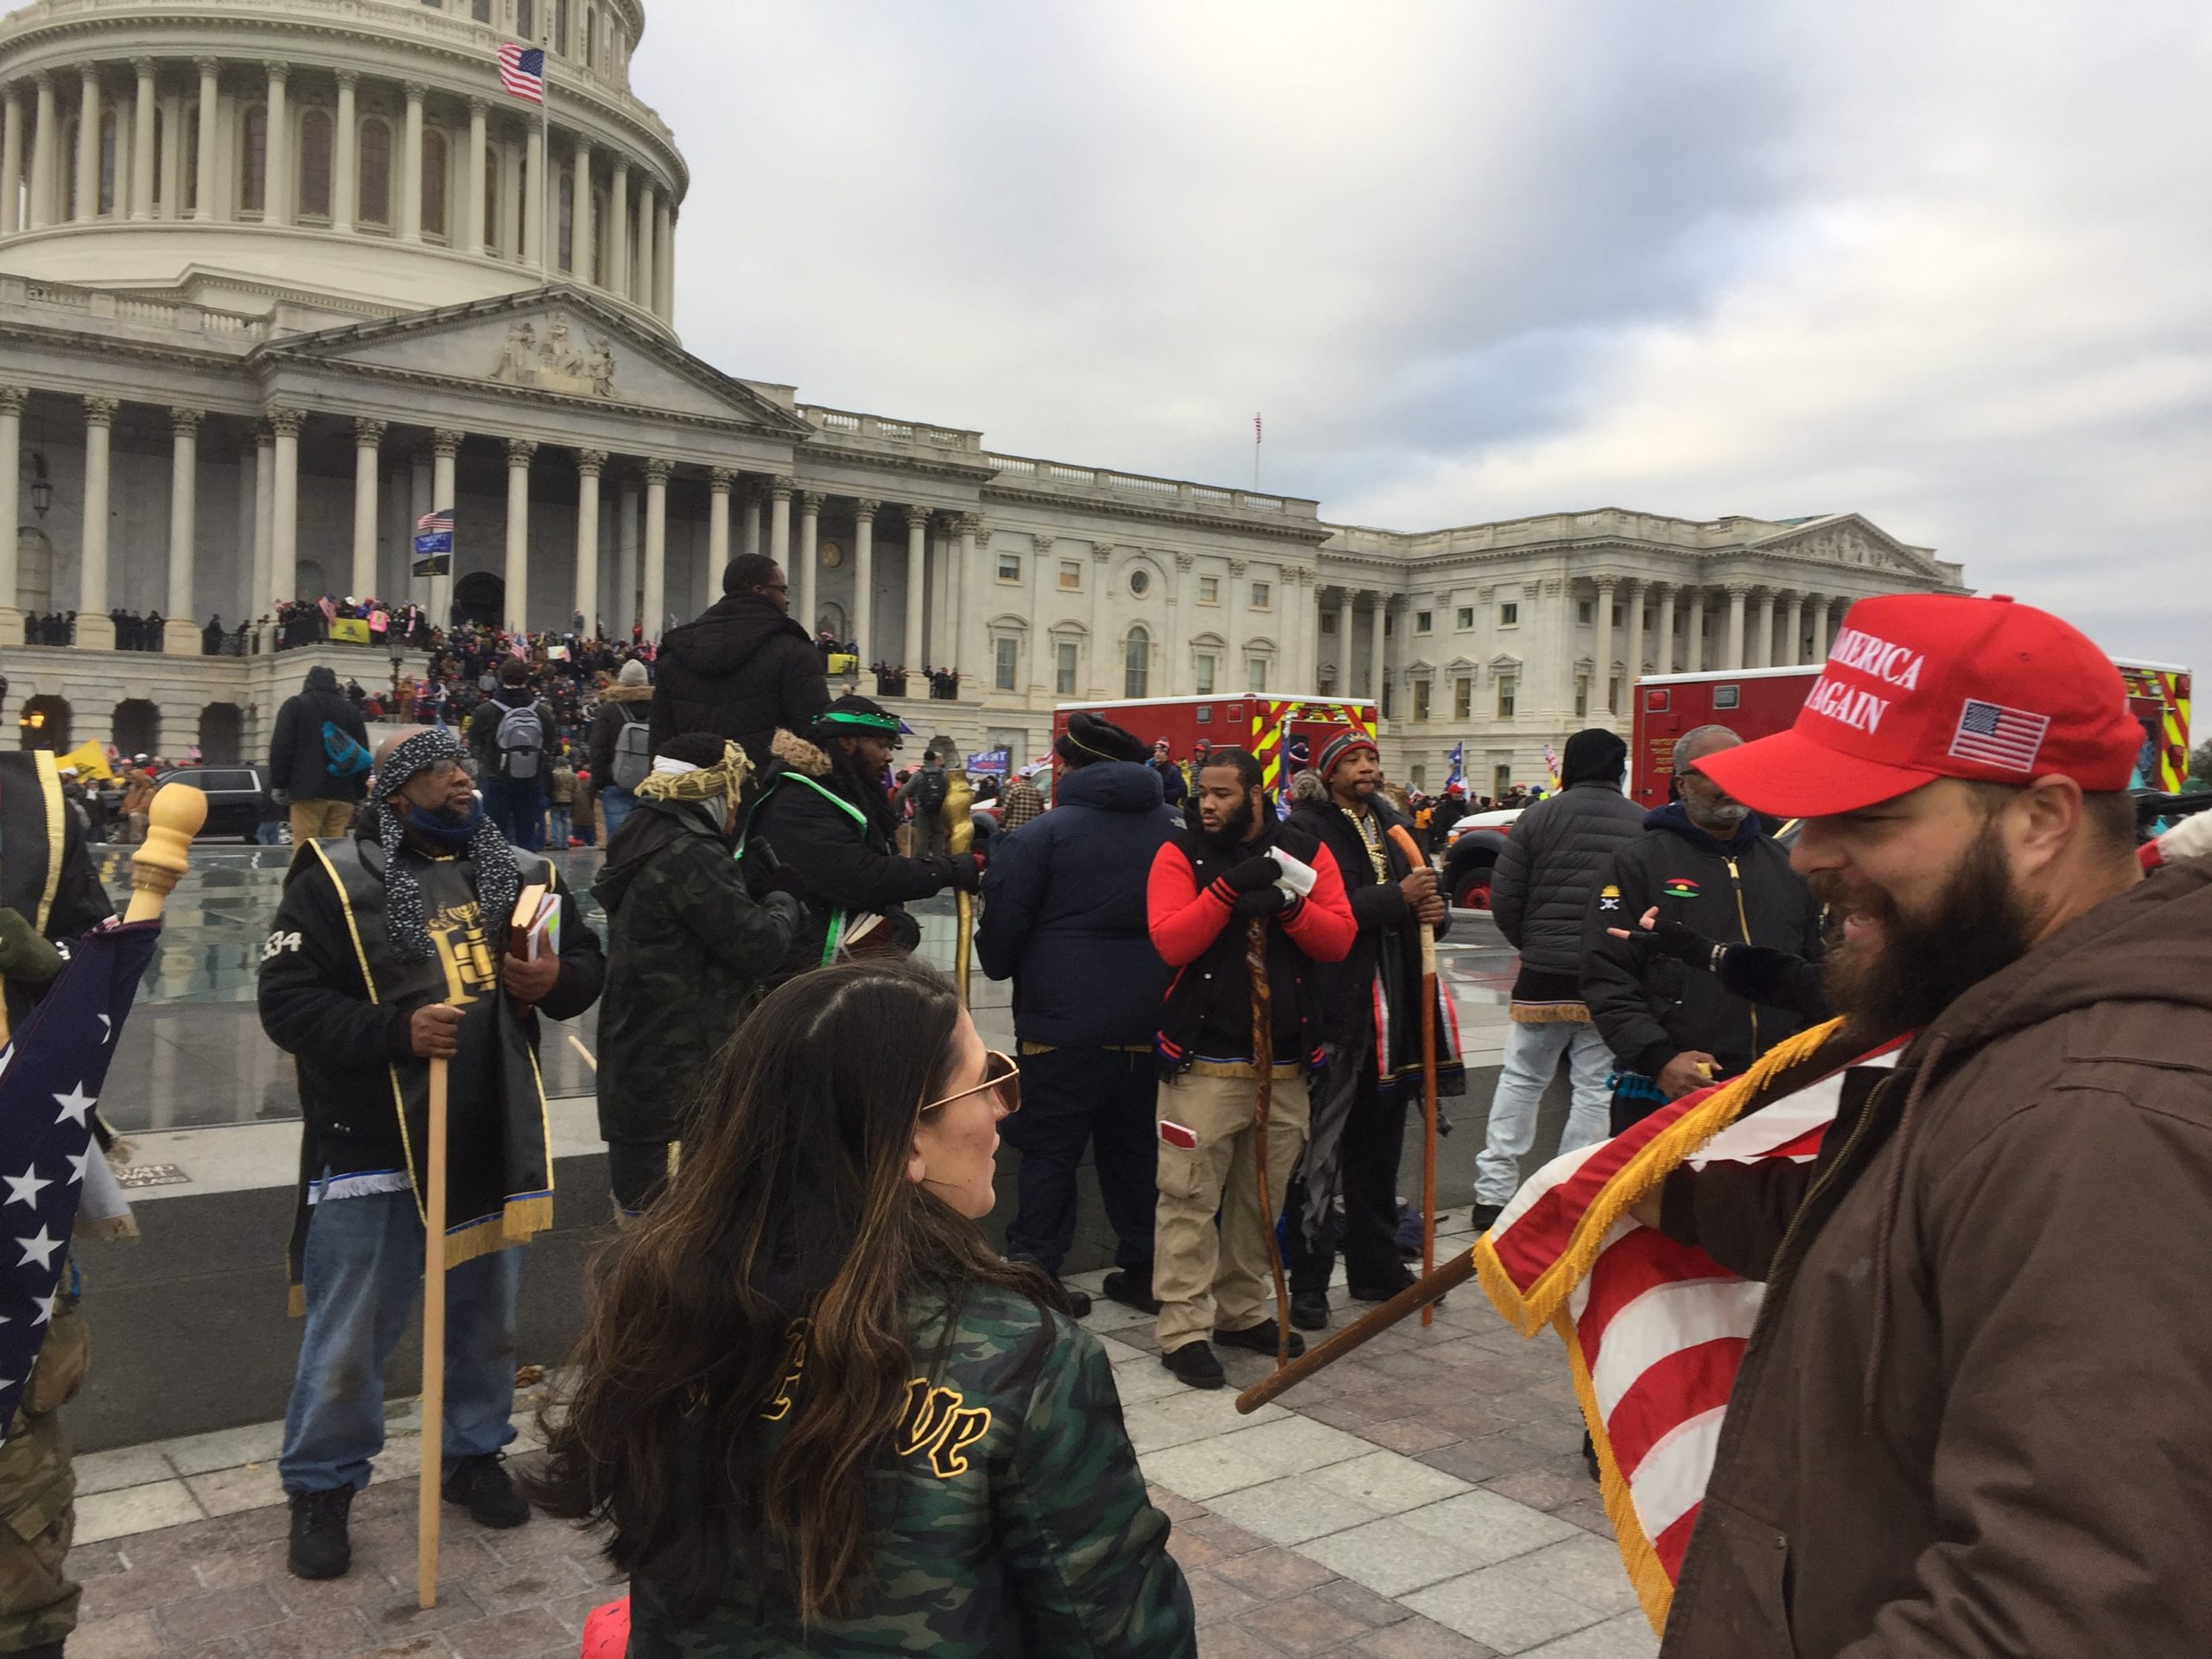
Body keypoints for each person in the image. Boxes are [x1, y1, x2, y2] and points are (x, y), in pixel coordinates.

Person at [1621, 593, 2212, 1656]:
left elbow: (2070, 1605)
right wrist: (1649, 1189)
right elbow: (1910, 1239)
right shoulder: (2001, 1019)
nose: (1804, 855)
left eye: (1867, 817)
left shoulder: (2097, 1118)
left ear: (2039, 821)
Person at [529, 957, 1196, 1655]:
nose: (1003, 1107)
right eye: (984, 1083)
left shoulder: (664, 1303)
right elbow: (1121, 1635)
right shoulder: (1025, 1363)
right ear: (907, 1140)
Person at [257, 726, 605, 1581]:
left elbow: (590, 962)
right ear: (398, 787)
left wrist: (552, 981)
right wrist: (395, 1031)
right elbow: (287, 1004)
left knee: (486, 1326)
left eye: (463, 766)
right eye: (440, 768)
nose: (462, 777)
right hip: (373, 1140)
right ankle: (323, 1485)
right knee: (350, 1338)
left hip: (489, 1132)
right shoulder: (335, 876)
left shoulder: (523, 873)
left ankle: (471, 1454)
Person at [1145, 747, 1357, 1388]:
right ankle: (1183, 1328)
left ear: (1256, 795)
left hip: (1283, 1064)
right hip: (1203, 1064)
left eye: (1222, 795)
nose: (1206, 805)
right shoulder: (1177, 853)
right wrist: (1229, 890)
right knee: (1187, 1198)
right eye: (1201, 793)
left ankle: (1240, 1311)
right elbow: (1172, 938)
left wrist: (1290, 906)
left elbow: (1339, 937)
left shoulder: (1304, 851)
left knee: (1258, 1202)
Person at [976, 713, 1177, 1318]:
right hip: (1151, 1025)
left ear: (1072, 767)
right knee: (1138, 1152)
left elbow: (1000, 944)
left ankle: (1037, 1272)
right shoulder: (1175, 827)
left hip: (1060, 1030)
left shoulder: (1040, 834)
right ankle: (1143, 1268)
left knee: (1050, 1154)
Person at [1280, 732, 1460, 1330]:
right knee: (1320, 1154)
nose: (1367, 768)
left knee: (1380, 1150)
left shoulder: (1396, 823)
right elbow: (1304, 912)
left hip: (1398, 1011)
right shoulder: (1304, 830)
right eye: (1353, 761)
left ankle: (1376, 1266)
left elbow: (1425, 896)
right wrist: (1395, 898)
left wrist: (1437, 911)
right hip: (1338, 1010)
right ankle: (1307, 1282)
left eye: (1372, 760)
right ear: (1329, 774)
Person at [0, 751, 115, 1659]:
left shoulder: (37, 805)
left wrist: (52, 971)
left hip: (10, 1187)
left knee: (21, 1478)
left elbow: (106, 966)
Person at [592, 735, 800, 1217]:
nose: (735, 811)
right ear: (710, 792)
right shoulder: (690, 851)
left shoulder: (644, 833)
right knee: (676, 1242)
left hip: (643, 1083)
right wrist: (782, 900)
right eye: (732, 795)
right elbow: (759, 946)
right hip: (678, 1092)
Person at [1580, 724, 1824, 1130]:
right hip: (1673, 1087)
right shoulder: (1636, 863)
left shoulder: (1787, 864)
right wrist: (1658, 1058)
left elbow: (1817, 964)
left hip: (1775, 1082)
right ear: (1682, 784)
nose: (1730, 785)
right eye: (1714, 773)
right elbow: (1606, 975)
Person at [1473, 728, 1646, 1230]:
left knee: (1522, 1078)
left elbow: (1506, 896)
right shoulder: (1641, 823)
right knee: (1596, 1087)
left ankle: (1493, 1191)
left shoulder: (1539, 816)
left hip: (1543, 975)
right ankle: (1567, 1195)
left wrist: (1532, 944)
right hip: (1609, 976)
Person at [741, 696, 981, 980]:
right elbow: (861, 876)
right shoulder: (798, 801)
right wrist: (948, 870)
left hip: (817, 967)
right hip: (796, 975)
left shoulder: (834, 791)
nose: (889, 756)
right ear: (847, 742)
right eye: (881, 745)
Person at [650, 553, 830, 767]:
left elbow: (660, 741)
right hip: (769, 793)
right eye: (782, 590)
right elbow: (814, 734)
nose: (787, 599)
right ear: (759, 591)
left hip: (694, 792)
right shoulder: (794, 650)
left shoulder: (675, 653)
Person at [269, 664, 372, 846]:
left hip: (307, 791)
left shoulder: (295, 705)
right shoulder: (351, 711)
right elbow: (362, 753)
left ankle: (307, 876)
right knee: (334, 851)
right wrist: (360, 793)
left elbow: (282, 746)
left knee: (306, 848)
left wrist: (279, 783)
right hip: (343, 793)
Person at [467, 659, 558, 851]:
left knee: (494, 834)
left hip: (495, 778)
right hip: (531, 778)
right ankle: (528, 875)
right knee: (526, 835)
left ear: (500, 678)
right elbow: (550, 744)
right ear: (527, 678)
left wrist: (489, 760)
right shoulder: (541, 711)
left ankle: (496, 875)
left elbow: (474, 743)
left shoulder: (485, 710)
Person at [588, 659, 655, 840]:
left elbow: (598, 748)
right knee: (649, 839)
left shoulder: (609, 710)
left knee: (620, 842)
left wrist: (597, 783)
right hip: (653, 783)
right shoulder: (659, 708)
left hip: (615, 781)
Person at [895, 748, 954, 860]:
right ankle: (939, 861)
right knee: (938, 834)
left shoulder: (919, 775)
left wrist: (899, 811)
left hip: (922, 810)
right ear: (934, 759)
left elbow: (901, 794)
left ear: (925, 760)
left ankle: (923, 863)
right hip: (940, 809)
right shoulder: (944, 774)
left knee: (922, 837)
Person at [997, 766, 1046, 833]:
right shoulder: (1037, 791)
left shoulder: (1015, 788)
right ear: (1030, 777)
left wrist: (1002, 822)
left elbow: (1006, 810)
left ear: (1020, 776)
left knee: (993, 839)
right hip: (1031, 830)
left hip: (1014, 829)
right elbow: (1041, 813)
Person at [545, 753, 577, 850]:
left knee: (555, 821)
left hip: (556, 799)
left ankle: (556, 843)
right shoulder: (572, 775)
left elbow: (550, 786)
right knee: (566, 821)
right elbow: (575, 787)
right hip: (568, 799)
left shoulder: (554, 774)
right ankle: (565, 843)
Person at [1149, 738, 1187, 810]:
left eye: (1161, 751)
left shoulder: (1173, 771)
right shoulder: (1151, 770)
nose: (1157, 754)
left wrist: (1163, 794)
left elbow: (1182, 789)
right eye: (1156, 751)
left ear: (1166, 755)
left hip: (1169, 808)